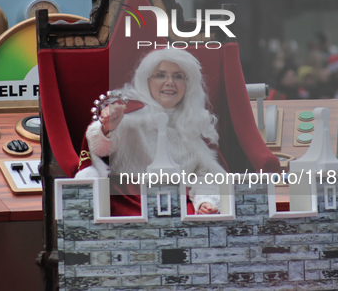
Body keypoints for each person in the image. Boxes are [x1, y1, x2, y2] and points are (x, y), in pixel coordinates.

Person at [76, 48, 227, 215]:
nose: (170, 82)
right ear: (146, 81)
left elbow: (206, 176)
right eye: (161, 75)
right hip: (128, 201)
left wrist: (206, 202)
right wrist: (107, 128)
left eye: (178, 76)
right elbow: (99, 150)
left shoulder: (196, 124)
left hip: (178, 203)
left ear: (188, 84)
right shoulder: (128, 114)